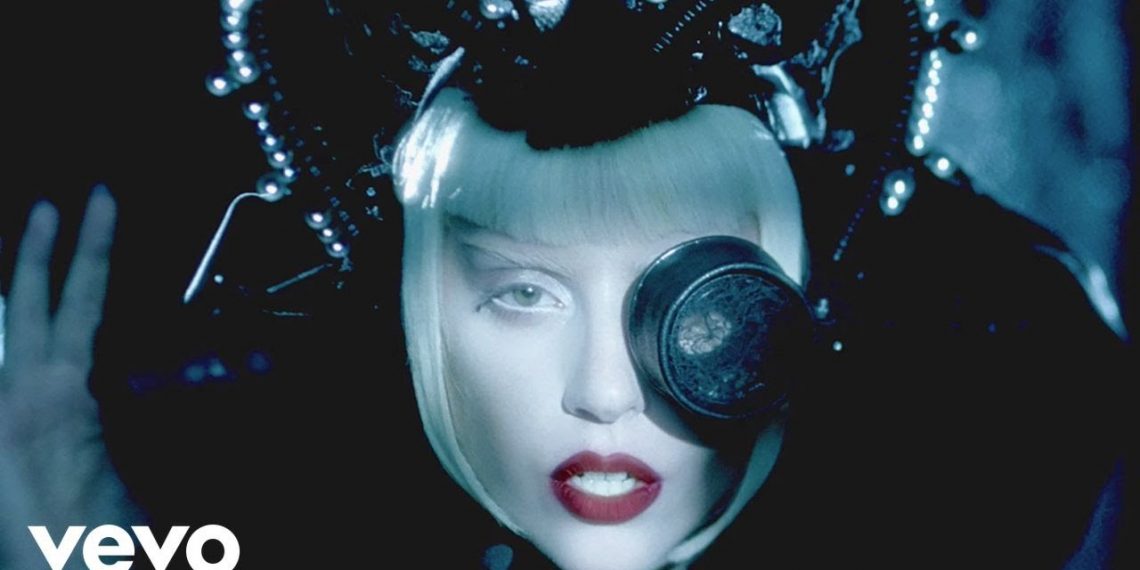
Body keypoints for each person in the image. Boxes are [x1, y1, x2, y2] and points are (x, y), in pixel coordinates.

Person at [1, 1, 1133, 568]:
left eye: (694, 298)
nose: (601, 394)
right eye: (523, 293)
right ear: (419, 312)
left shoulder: (981, 455)